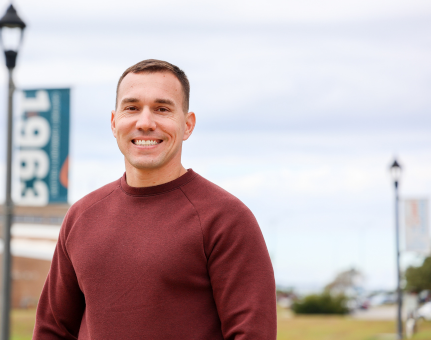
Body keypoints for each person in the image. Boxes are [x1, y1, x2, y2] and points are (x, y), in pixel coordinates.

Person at [33, 59, 276, 339]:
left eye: (162, 109)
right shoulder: (82, 215)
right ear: (114, 123)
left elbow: (252, 333)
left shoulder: (225, 218)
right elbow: (52, 330)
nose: (145, 123)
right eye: (132, 108)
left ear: (187, 125)